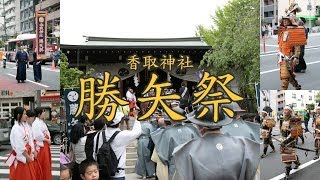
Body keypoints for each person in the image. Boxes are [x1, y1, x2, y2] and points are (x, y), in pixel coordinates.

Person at [172, 105, 260, 180]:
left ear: (199, 125)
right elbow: (254, 174)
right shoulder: (244, 144)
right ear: (222, 122)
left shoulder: (186, 150)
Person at [151, 106, 200, 180]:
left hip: (175, 166)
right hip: (191, 165)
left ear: (170, 118)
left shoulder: (166, 133)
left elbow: (163, 156)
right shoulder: (191, 130)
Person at [93, 110, 142, 179]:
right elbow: (137, 132)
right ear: (119, 123)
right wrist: (136, 118)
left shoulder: (98, 135)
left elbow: (94, 153)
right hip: (118, 174)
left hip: (101, 173)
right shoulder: (122, 135)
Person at [6, 107, 36, 179]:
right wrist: (27, 156)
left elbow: (30, 139)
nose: (26, 116)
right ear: (19, 115)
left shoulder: (24, 125)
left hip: (27, 155)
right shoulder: (16, 128)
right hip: (22, 157)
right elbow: (20, 145)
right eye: (25, 114)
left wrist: (32, 151)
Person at [278, 15, 303, 90]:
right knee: (289, 75)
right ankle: (296, 86)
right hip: (281, 57)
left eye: (287, 20)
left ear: (290, 21)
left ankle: (283, 90)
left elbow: (297, 46)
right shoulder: (282, 31)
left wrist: (296, 56)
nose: (285, 21)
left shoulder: (293, 31)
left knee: (284, 77)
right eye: (284, 20)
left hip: (289, 57)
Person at [280, 106, 301, 180]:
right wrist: (282, 138)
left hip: (290, 141)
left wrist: (285, 141)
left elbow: (293, 133)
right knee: (291, 154)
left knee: (288, 157)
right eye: (284, 110)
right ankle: (297, 162)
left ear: (290, 111)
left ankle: (287, 175)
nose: (285, 111)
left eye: (286, 110)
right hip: (284, 140)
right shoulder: (284, 119)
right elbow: (282, 130)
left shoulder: (293, 119)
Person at [32, 107, 52, 180]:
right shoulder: (36, 123)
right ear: (39, 114)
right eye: (43, 112)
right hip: (41, 146)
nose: (44, 113)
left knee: (46, 164)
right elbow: (38, 136)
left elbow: (47, 132)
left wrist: (48, 139)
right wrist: (47, 140)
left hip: (45, 145)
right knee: (43, 164)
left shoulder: (41, 122)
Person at [26, 110, 43, 180]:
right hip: (28, 151)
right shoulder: (26, 127)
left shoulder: (29, 126)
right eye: (33, 117)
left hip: (32, 149)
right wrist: (33, 150)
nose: (33, 119)